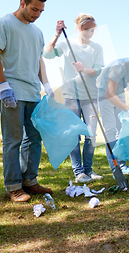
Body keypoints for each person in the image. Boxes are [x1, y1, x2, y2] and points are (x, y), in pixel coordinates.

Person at [0, 0, 53, 203]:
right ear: (22, 3)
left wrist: (47, 84)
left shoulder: (37, 32)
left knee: (34, 138)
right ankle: (14, 186)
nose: (37, 14)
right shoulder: (3, 23)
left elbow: (39, 60)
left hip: (33, 92)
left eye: (41, 11)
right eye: (34, 9)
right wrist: (3, 86)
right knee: (13, 140)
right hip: (11, 92)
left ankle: (29, 180)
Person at [43, 14, 104, 183]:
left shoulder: (97, 48)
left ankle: (89, 170)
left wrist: (84, 69)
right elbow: (47, 54)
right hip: (71, 95)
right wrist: (56, 34)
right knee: (73, 135)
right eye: (86, 29)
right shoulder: (65, 44)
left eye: (92, 30)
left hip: (91, 95)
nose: (89, 33)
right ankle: (79, 173)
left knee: (91, 134)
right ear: (78, 28)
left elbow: (98, 70)